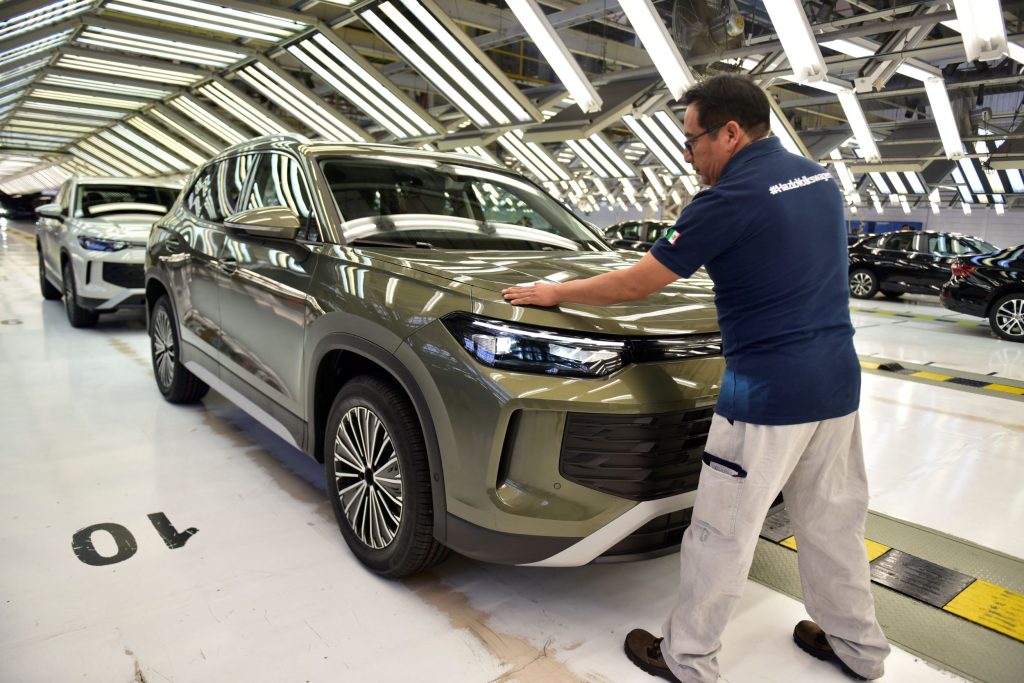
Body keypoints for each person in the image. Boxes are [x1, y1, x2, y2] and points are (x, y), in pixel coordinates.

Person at [502, 75, 890, 683]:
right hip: (837, 386)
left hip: (764, 395)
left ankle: (688, 658)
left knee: (720, 532)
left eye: (693, 140)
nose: (690, 155)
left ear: (731, 132)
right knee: (834, 522)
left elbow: (638, 283)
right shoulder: (819, 180)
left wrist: (555, 292)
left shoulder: (729, 198)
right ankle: (860, 651)